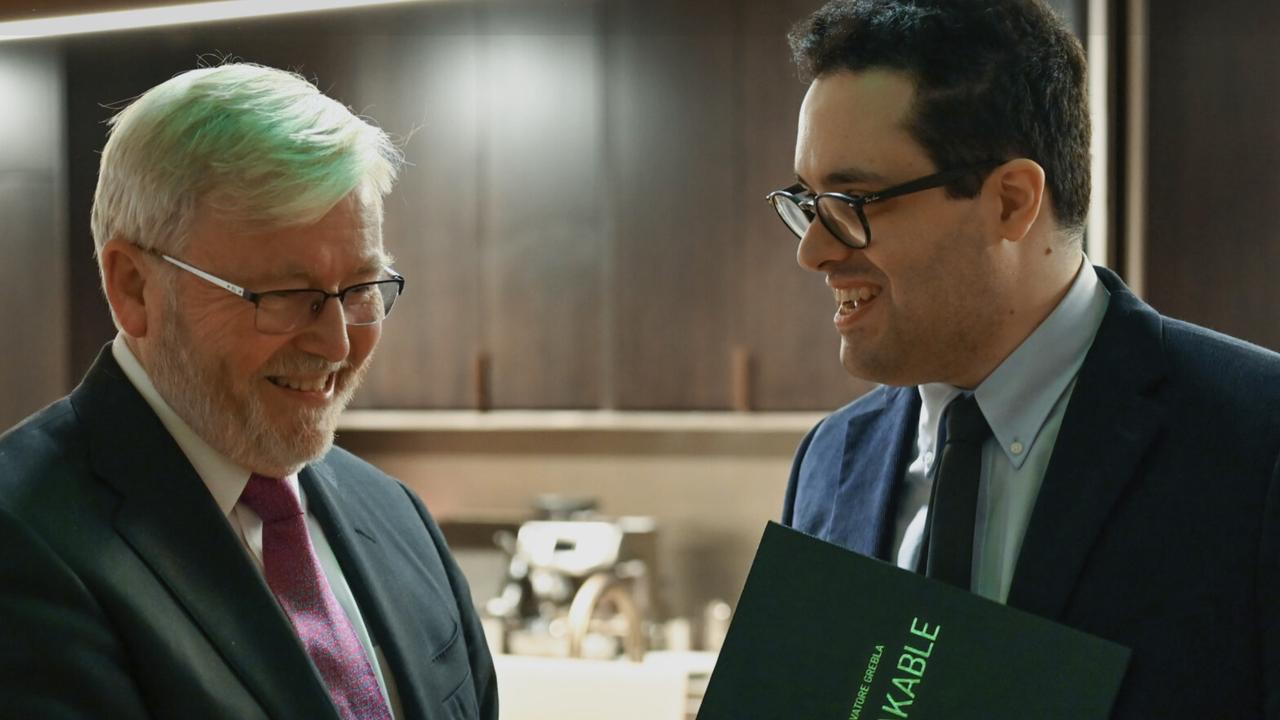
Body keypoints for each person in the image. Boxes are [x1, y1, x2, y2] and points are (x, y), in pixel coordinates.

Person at [771, 1, 1280, 717]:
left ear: (1011, 201)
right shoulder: (830, 460)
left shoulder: (1259, 447)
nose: (813, 250)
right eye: (807, 201)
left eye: (853, 201)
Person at [0, 63, 497, 719]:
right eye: (287, 297)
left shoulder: (398, 518)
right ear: (133, 288)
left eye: (359, 291)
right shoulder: (22, 544)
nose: (337, 345)